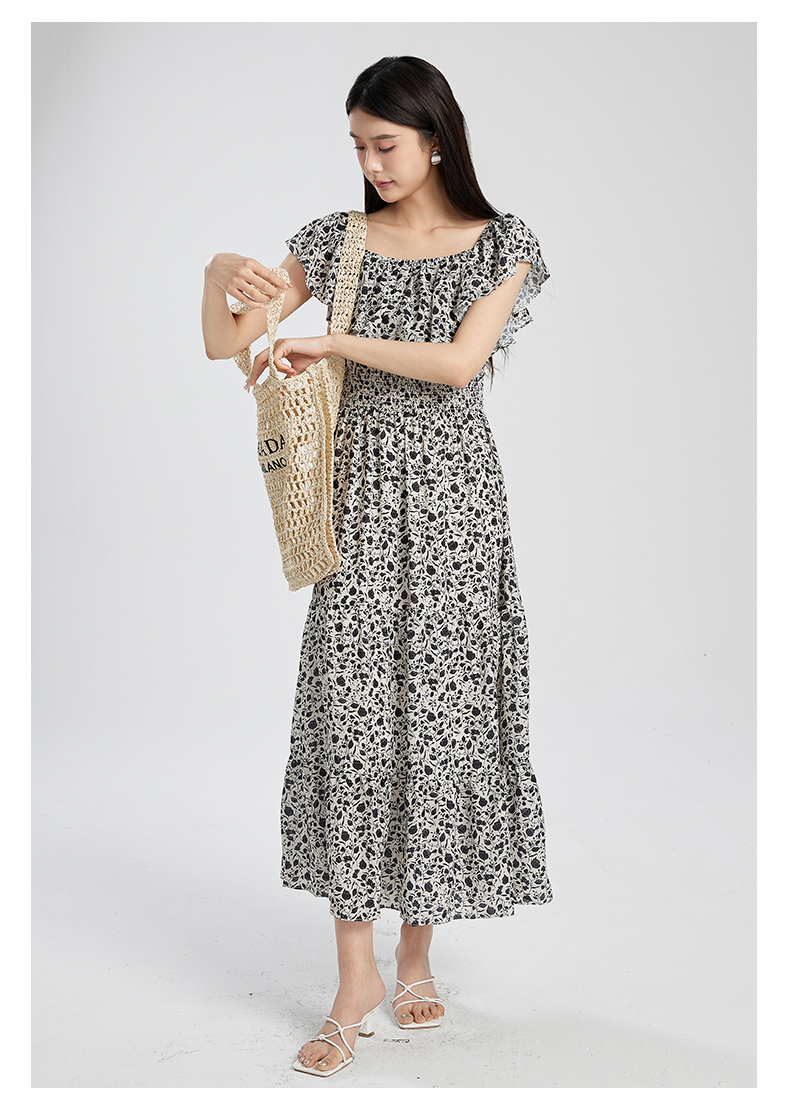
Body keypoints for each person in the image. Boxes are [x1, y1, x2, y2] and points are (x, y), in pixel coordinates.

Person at [201, 55, 553, 1078]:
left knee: (439, 718)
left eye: (384, 143)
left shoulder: (503, 245)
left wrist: (337, 343)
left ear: (435, 138)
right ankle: (354, 977)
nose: (370, 163)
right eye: (357, 145)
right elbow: (228, 345)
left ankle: (417, 953)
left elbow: (458, 364)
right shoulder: (335, 240)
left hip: (454, 507)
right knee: (354, 718)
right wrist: (220, 272)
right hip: (353, 499)